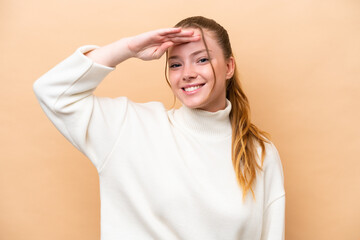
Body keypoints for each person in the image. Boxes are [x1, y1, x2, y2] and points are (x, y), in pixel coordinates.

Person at [33, 16, 285, 240]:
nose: (187, 73)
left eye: (201, 59)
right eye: (175, 64)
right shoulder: (129, 128)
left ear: (228, 67)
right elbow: (52, 91)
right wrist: (128, 48)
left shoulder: (261, 153)